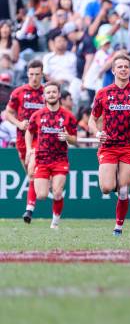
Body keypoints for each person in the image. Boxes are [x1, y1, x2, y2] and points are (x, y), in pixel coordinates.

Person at [88, 54, 130, 236]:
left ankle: (118, 226)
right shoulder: (103, 93)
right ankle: (115, 185)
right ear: (113, 70)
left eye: (126, 66)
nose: (123, 69)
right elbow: (91, 121)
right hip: (109, 145)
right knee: (107, 188)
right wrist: (97, 132)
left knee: (124, 188)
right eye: (120, 67)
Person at [24, 82, 77, 230]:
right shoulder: (37, 115)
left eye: (54, 92)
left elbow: (74, 139)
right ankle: (31, 205)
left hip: (60, 159)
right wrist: (29, 149)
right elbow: (29, 132)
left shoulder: (68, 116)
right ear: (44, 96)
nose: (51, 95)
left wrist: (67, 136)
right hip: (42, 159)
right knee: (41, 195)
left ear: (59, 94)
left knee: (58, 192)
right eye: (48, 92)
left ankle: (54, 223)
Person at [5, 60, 45, 223]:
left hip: (41, 139)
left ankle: (29, 209)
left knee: (32, 170)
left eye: (37, 74)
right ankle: (30, 205)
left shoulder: (47, 92)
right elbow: (8, 113)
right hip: (22, 138)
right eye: (31, 74)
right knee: (31, 175)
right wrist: (19, 124)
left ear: (42, 74)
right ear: (27, 74)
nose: (34, 78)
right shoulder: (19, 92)